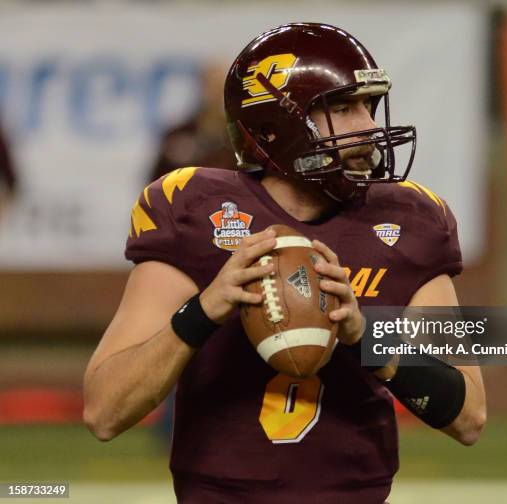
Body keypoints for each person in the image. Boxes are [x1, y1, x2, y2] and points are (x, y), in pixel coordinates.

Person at [83, 23, 486, 503]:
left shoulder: (411, 220)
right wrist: (206, 308)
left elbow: (469, 417)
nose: (369, 126)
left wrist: (366, 336)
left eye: (368, 106)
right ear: (277, 126)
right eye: (343, 107)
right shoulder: (194, 211)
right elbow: (104, 412)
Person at [148, 61, 235, 182]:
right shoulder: (178, 136)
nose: (215, 93)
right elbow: (156, 186)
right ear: (201, 86)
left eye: (220, 85)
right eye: (211, 85)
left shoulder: (241, 138)